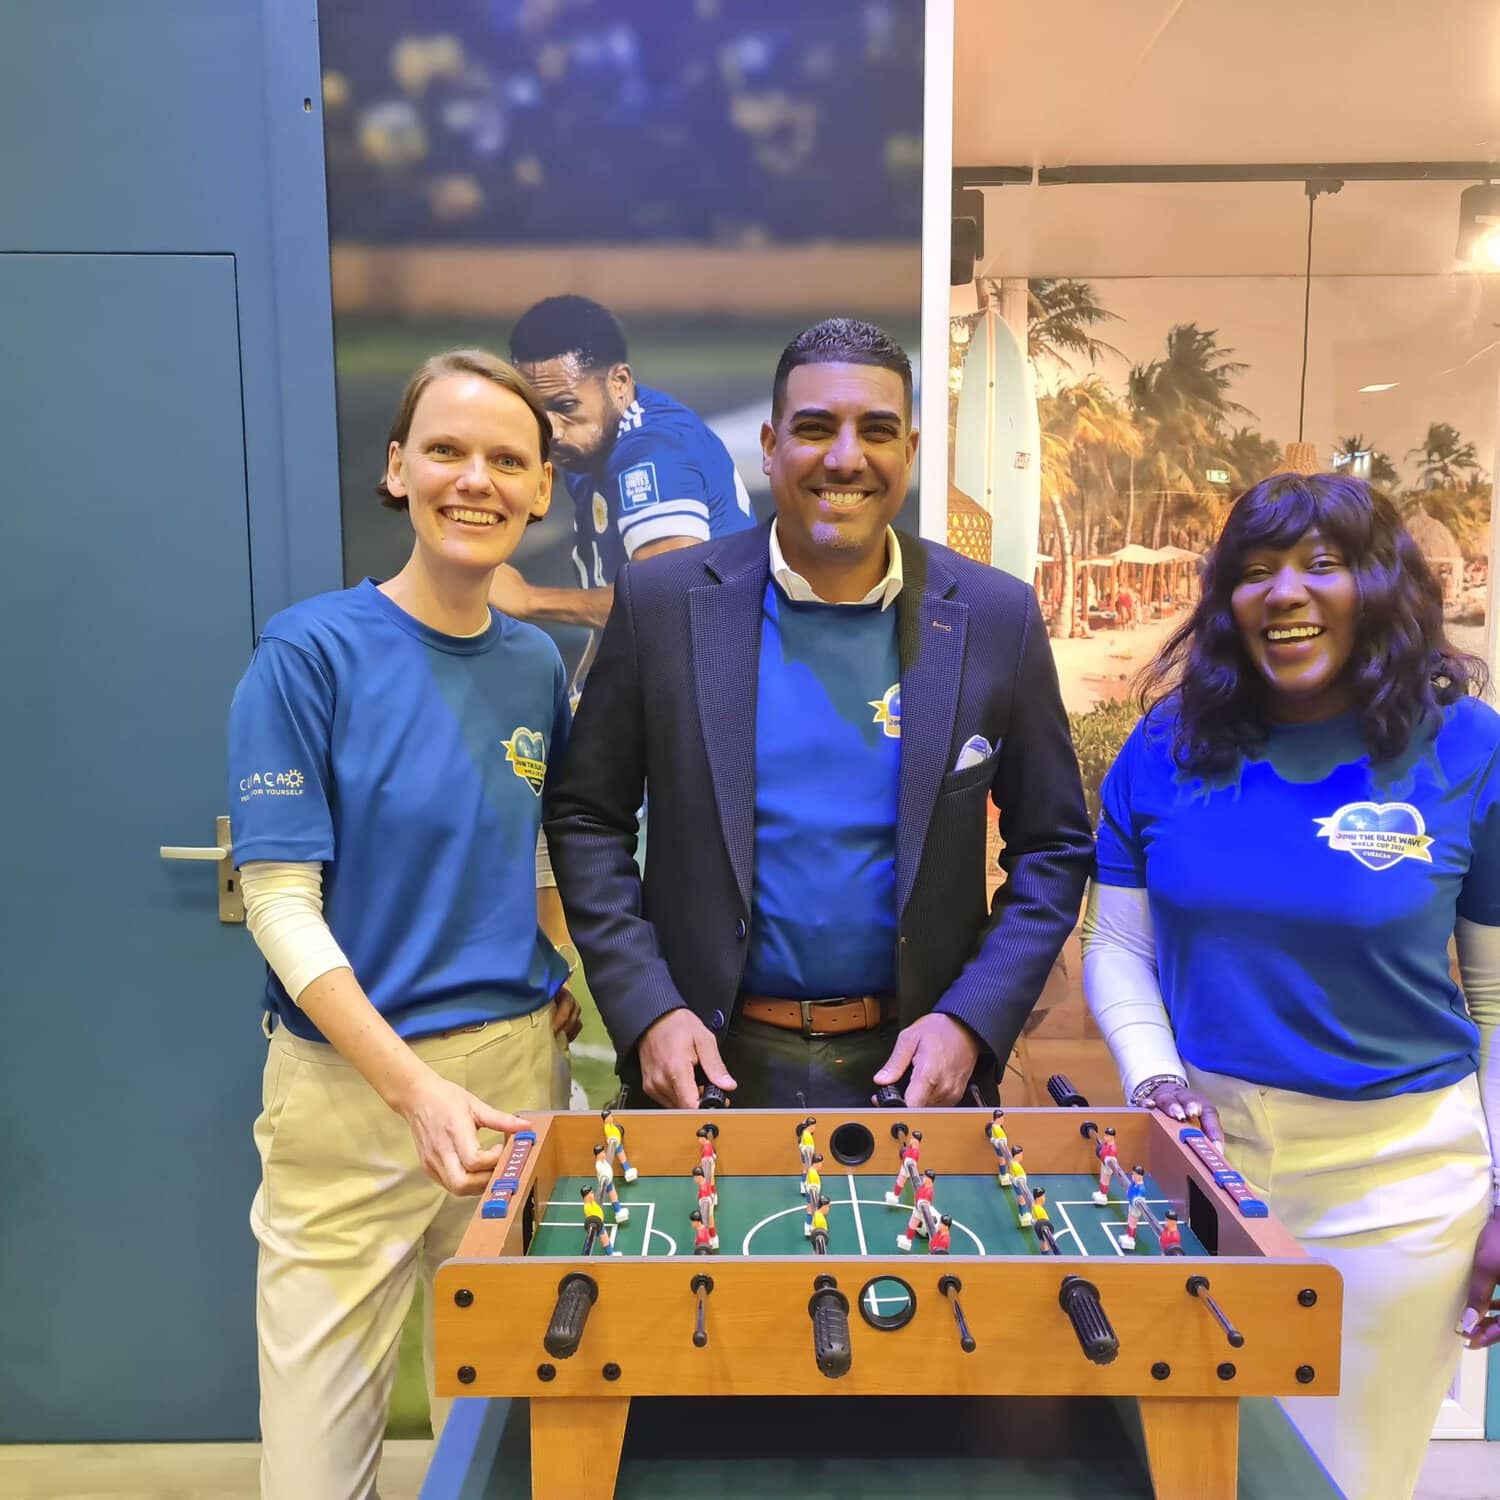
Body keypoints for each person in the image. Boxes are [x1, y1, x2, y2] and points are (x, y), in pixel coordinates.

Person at [544, 318, 1093, 1109]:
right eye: (814, 428)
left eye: (876, 431)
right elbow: (586, 815)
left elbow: (1054, 844)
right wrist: (648, 1007)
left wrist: (971, 1020)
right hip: (707, 1067)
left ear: (908, 449)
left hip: (917, 1073)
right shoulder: (661, 605)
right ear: (769, 447)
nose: (845, 457)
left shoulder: (992, 616)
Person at [1082, 473, 1500, 1500]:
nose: (1285, 594)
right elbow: (1117, 950)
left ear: (1383, 585)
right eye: (1256, 571)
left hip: (1396, 1189)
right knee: (1186, 1473)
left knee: (1341, 1480)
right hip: (1199, 1173)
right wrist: (1155, 1085)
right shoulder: (1167, 744)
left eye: (1323, 564)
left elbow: (1493, 998)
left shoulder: (1466, 749)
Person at [228, 349, 580, 1500]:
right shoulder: (308, 654)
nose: (473, 479)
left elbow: (532, 850)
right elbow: (281, 900)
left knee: (508, 1449)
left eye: (507, 460)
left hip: (517, 1088)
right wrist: (413, 1091)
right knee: (318, 1471)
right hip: (350, 1100)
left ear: (538, 491)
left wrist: (565, 995)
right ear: (397, 469)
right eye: (446, 449)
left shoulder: (537, 666)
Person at [489, 294, 756, 644]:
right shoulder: (591, 441)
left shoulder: (651, 451)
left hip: (719, 679)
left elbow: (667, 602)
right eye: (537, 410)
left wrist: (530, 599)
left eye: (565, 404)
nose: (551, 429)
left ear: (619, 383)